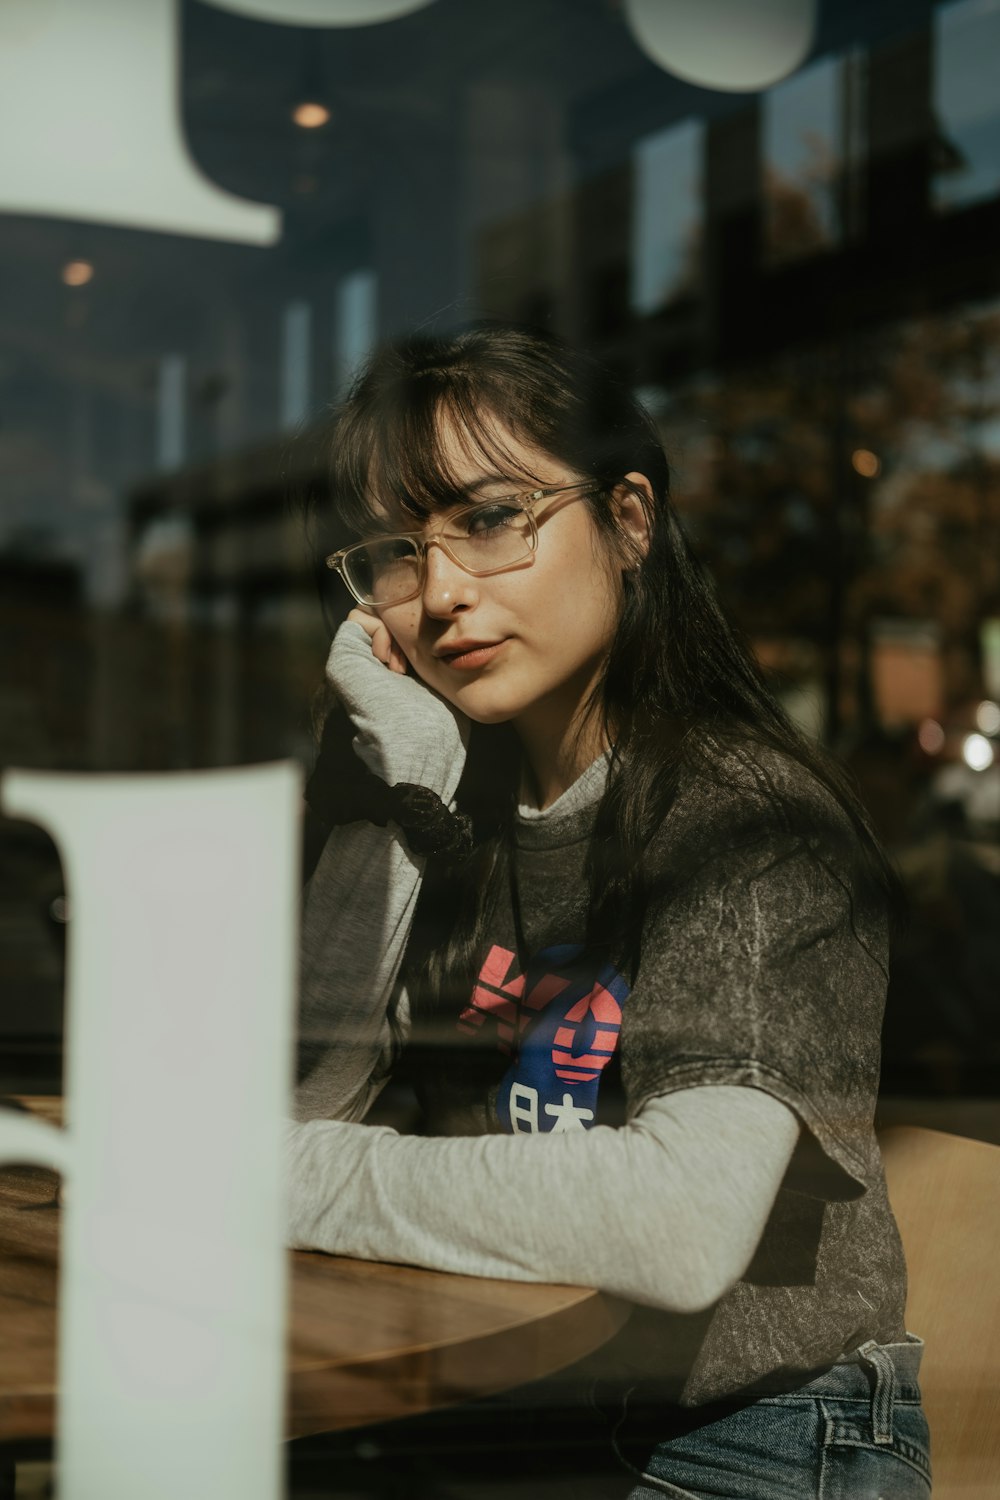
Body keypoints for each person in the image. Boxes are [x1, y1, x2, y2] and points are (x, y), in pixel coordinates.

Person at [286, 323, 931, 1498]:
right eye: (392, 552)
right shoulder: (452, 807)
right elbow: (305, 1101)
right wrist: (393, 789)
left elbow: (679, 1228)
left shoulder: (746, 818)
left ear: (629, 521)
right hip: (493, 1402)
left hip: (744, 1431)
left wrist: (286, 1178)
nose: (439, 594)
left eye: (489, 521)